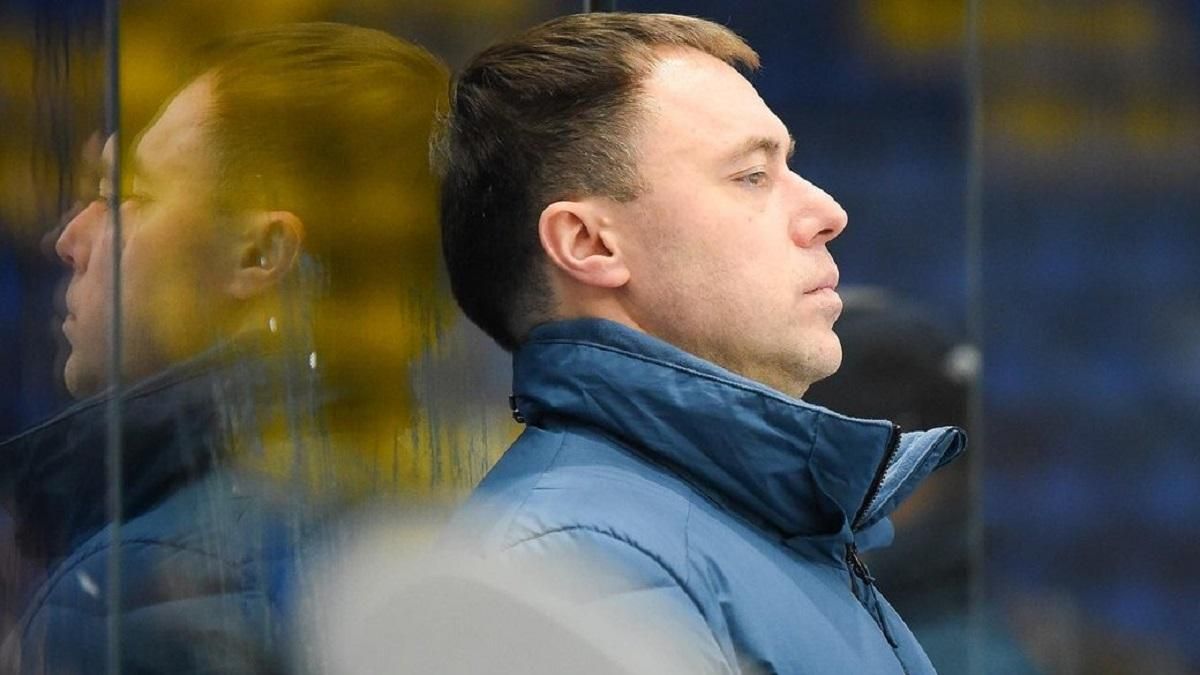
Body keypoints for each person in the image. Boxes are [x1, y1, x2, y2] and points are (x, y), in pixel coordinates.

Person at [437, 12, 966, 674]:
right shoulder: (573, 567)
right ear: (589, 243)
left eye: (788, 166)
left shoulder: (759, 527)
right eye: (751, 175)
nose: (827, 213)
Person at [0, 22, 448, 673]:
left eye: (132, 195)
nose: (70, 239)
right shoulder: (434, 506)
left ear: (259, 253)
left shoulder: (130, 598)